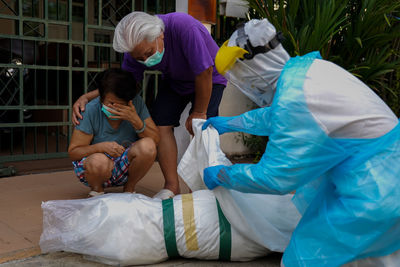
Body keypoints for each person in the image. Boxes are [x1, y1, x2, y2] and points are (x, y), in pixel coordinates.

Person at [202, 19, 400, 266]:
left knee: (304, 258)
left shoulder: (295, 97)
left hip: (374, 192)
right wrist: (231, 123)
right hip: (383, 177)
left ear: (255, 65)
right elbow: (277, 116)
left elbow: (274, 178)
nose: (245, 83)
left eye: (241, 73)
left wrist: (224, 174)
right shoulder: (306, 73)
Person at [72, 12, 227, 199]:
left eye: (148, 54)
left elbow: (205, 71)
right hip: (175, 80)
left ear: (160, 34)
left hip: (209, 76)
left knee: (201, 128)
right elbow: (121, 86)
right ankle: (171, 186)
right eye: (139, 58)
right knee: (161, 123)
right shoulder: (135, 51)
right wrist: (88, 97)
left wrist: (199, 111)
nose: (145, 60)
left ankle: (198, 190)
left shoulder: (184, 27)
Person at [68, 69, 159, 197]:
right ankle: (96, 190)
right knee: (98, 160)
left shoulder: (136, 103)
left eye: (121, 105)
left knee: (148, 146)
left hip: (124, 164)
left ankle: (130, 189)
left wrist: (136, 121)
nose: (115, 108)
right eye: (110, 103)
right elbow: (73, 152)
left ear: (129, 101)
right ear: (101, 98)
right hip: (95, 168)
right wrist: (100, 147)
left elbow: (155, 140)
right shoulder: (90, 110)